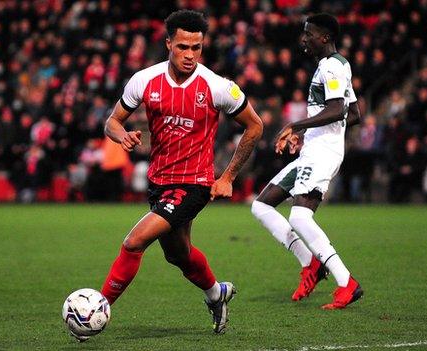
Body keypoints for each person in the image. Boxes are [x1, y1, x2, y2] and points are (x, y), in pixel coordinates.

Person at [98, 9, 263, 337]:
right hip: (159, 182)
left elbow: (255, 126)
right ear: (168, 43)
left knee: (134, 242)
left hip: (195, 183)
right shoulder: (144, 81)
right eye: (183, 47)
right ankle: (216, 293)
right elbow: (111, 122)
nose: (190, 55)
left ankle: (97, 308)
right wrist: (123, 135)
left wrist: (228, 176)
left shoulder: (217, 87)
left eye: (197, 48)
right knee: (178, 254)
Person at [251, 13, 363, 309]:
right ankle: (310, 263)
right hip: (314, 149)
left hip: (323, 153)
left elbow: (338, 109)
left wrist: (297, 126)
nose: (304, 39)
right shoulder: (332, 66)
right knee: (261, 206)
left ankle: (346, 282)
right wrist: (311, 133)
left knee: (300, 217)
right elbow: (354, 115)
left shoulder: (333, 68)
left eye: (309, 34)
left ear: (324, 37)